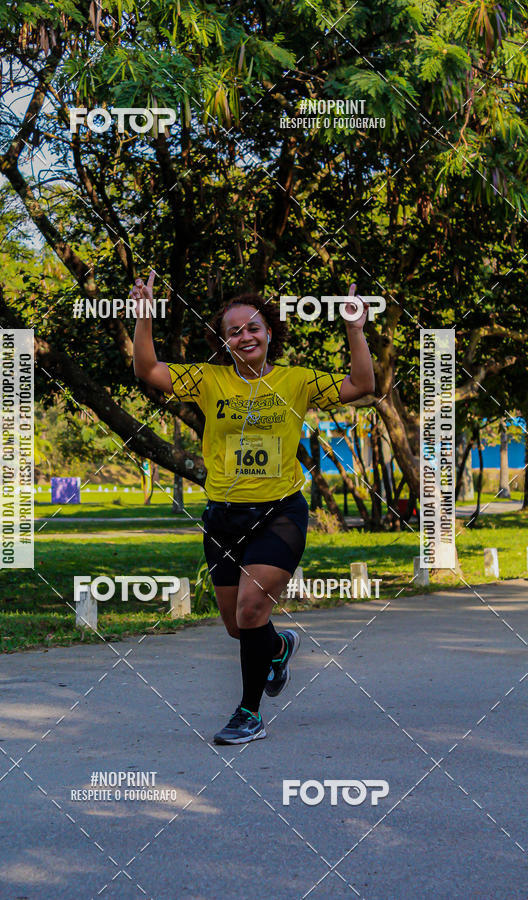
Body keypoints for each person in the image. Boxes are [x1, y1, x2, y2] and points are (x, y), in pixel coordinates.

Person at [132, 272, 375, 744]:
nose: (245, 336)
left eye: (253, 328)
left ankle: (248, 712)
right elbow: (149, 370)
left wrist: (355, 329)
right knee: (236, 626)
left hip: (279, 513)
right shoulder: (207, 379)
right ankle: (279, 645)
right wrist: (144, 318)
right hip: (224, 516)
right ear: (224, 342)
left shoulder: (297, 381)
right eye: (235, 331)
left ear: (270, 333)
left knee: (249, 609)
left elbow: (361, 384)